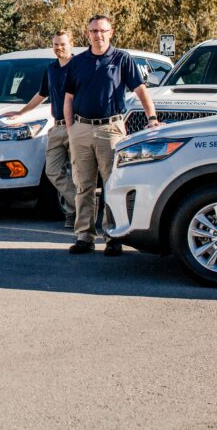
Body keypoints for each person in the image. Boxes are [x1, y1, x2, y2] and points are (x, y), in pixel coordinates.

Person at [63, 15, 159, 256]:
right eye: (93, 31)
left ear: (111, 32)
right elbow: (68, 99)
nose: (98, 35)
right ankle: (84, 236)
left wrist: (152, 118)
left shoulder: (122, 59)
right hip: (81, 128)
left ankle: (113, 236)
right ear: (88, 34)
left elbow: (141, 91)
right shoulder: (78, 62)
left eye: (102, 30)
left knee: (112, 185)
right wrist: (70, 129)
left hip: (111, 129)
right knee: (83, 185)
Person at [2, 31, 77, 228]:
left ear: (71, 44)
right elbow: (41, 94)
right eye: (55, 44)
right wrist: (21, 112)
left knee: (76, 173)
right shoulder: (51, 69)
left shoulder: (80, 66)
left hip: (77, 126)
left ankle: (73, 215)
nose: (58, 47)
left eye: (62, 44)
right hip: (57, 126)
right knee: (52, 171)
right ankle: (82, 206)